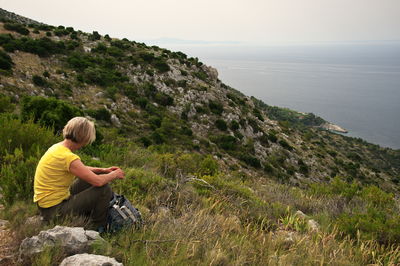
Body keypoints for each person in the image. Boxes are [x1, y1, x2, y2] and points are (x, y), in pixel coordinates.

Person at [33, 116, 125, 230]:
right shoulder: (68, 157)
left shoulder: (57, 148)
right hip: (54, 211)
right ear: (84, 138)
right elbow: (98, 182)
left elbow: (80, 169)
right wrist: (115, 174)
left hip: (47, 206)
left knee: (86, 179)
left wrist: (103, 170)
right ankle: (98, 227)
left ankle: (88, 215)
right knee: (103, 189)